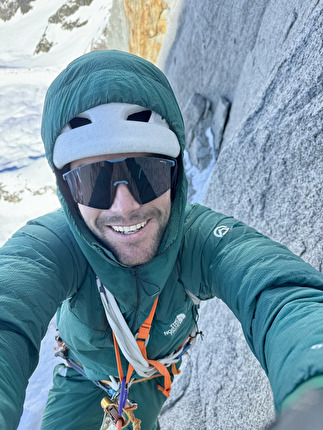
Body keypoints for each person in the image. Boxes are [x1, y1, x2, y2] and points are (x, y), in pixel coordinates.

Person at [0, 50, 323, 430]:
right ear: (68, 194)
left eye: (146, 173)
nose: (125, 206)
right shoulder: (55, 245)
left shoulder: (197, 238)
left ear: (173, 176)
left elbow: (280, 293)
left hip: (149, 378)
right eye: (93, 182)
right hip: (82, 374)